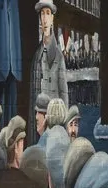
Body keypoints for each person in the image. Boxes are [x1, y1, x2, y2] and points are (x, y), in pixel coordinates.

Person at [28, 1, 68, 145]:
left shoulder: (57, 55)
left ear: (52, 18)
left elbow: (64, 95)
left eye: (48, 13)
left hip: (52, 123)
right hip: (38, 122)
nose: (44, 18)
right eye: (42, 14)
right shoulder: (37, 54)